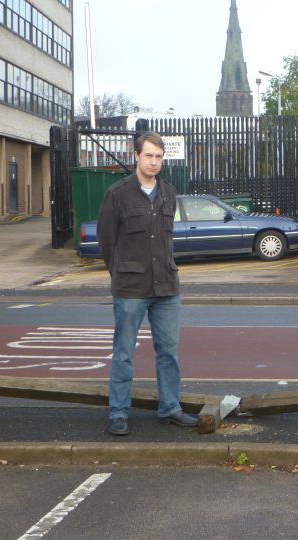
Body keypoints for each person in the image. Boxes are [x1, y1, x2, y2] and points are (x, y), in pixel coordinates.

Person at [97, 132, 197, 436]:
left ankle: (169, 408)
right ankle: (118, 413)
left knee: (168, 352)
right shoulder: (117, 193)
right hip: (130, 289)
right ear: (136, 156)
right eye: (149, 155)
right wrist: (121, 273)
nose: (154, 162)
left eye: (159, 156)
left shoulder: (169, 192)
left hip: (167, 287)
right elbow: (106, 241)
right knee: (124, 352)